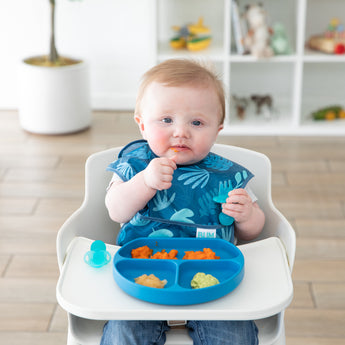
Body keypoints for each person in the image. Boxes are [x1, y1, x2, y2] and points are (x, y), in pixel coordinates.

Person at [101, 59, 265, 345]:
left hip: (215, 274)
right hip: (141, 271)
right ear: (141, 124)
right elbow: (116, 210)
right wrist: (145, 182)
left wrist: (247, 215)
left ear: (218, 129)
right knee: (123, 335)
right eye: (166, 120)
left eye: (197, 122)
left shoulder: (228, 176)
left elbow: (254, 231)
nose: (181, 132)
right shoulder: (136, 165)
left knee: (235, 336)